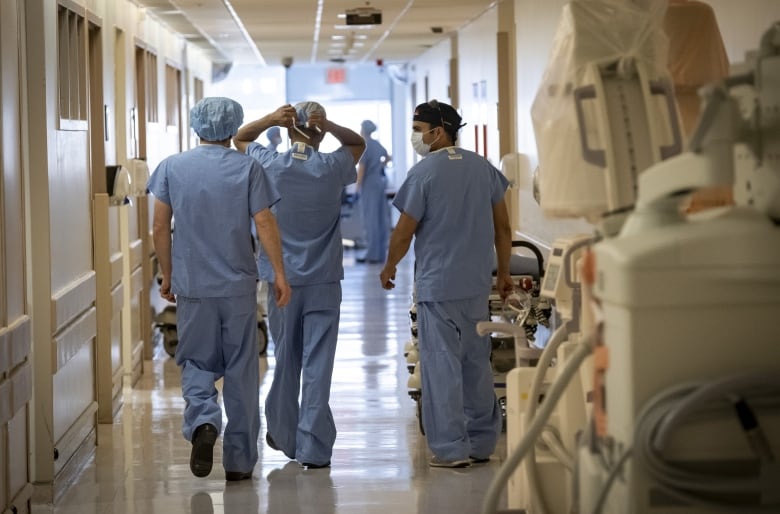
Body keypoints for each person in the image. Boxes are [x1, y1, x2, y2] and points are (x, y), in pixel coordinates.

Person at [147, 96, 292, 481]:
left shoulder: (172, 168)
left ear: (196, 127)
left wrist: (167, 273)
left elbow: (160, 227)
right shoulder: (248, 168)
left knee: (196, 361)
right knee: (242, 369)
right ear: (232, 128)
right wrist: (278, 273)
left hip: (193, 287)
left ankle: (204, 423)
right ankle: (240, 462)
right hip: (238, 288)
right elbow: (265, 224)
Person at [379, 100, 513, 468]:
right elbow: (503, 227)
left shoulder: (424, 174)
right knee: (476, 364)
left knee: (441, 367)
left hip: (438, 287)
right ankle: (482, 444)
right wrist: (502, 273)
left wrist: (390, 265)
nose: (416, 138)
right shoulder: (483, 168)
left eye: (418, 130)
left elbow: (404, 232)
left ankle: (452, 449)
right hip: (475, 286)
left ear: (439, 131)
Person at [234, 101, 366, 469]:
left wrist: (269, 118)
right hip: (323, 280)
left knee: (287, 357)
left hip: (282, 281)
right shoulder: (331, 167)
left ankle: (283, 429)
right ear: (320, 131)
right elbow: (358, 146)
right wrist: (331, 126)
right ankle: (313, 446)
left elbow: (240, 138)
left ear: (288, 129)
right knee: (318, 362)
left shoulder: (270, 163)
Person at [356, 120, 391, 263]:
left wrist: (357, 186)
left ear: (363, 130)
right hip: (379, 183)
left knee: (370, 220)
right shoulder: (376, 144)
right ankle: (380, 254)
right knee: (380, 219)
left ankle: (372, 255)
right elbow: (388, 157)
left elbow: (362, 168)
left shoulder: (365, 145)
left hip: (369, 184)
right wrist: (379, 165)